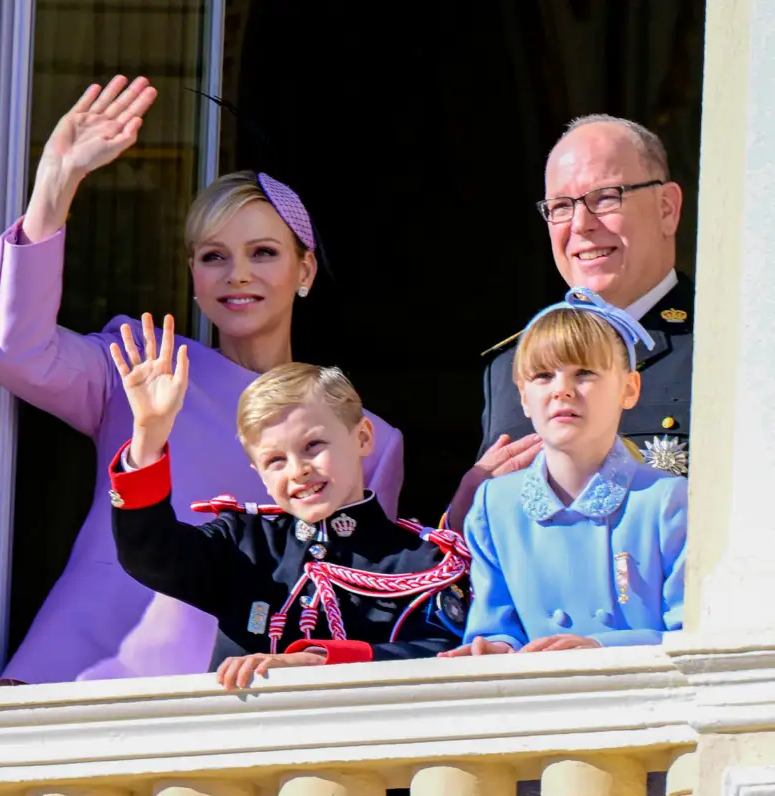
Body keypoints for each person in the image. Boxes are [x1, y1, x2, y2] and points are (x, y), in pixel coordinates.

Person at [0, 76, 404, 685]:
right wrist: (56, 183)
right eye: (213, 256)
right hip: (82, 677)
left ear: (305, 268)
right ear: (193, 275)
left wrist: (466, 511)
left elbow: (365, 586)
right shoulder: (142, 361)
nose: (237, 275)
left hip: (236, 697)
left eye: (263, 252)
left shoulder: (370, 437)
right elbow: (17, 354)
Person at [107, 338, 469, 690]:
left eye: (313, 446)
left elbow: (446, 655)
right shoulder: (244, 544)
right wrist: (147, 436)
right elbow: (149, 554)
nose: (297, 471)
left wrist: (321, 660)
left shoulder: (424, 561)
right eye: (275, 461)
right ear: (258, 474)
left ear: (362, 438)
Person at [448, 115, 692, 531]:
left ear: (667, 209)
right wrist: (463, 510)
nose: (580, 225)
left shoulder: (724, 346)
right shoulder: (512, 366)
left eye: (606, 198)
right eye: (561, 207)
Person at [439, 287, 687, 658]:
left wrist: (599, 647)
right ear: (522, 396)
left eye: (584, 372)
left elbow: (696, 635)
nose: (562, 391)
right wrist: (491, 649)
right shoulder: (494, 506)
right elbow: (496, 624)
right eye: (542, 376)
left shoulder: (668, 501)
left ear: (629, 388)